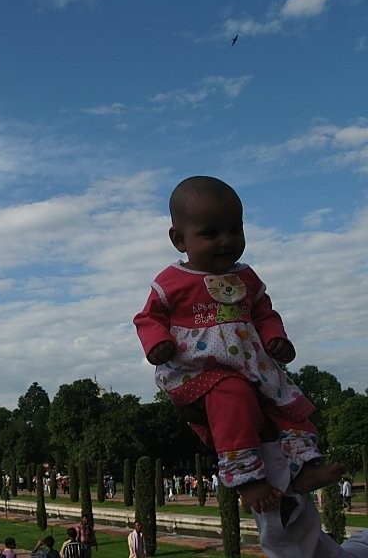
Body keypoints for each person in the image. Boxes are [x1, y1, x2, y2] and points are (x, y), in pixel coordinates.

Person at [134, 175, 344, 512]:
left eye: (235, 229)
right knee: (233, 395)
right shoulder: (171, 282)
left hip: (253, 364)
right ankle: (247, 479)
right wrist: (157, 342)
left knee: (288, 404)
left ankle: (305, 469)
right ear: (179, 239)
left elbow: (264, 313)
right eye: (211, 233)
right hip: (199, 370)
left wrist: (276, 337)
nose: (226, 241)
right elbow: (148, 318)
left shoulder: (245, 277)